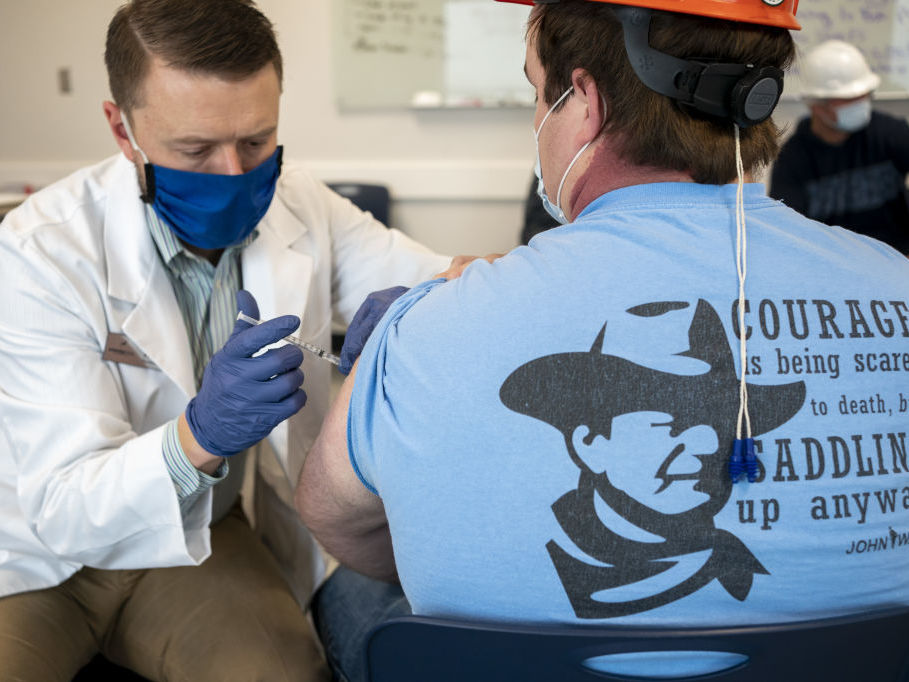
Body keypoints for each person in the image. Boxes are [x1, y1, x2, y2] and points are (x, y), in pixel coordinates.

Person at [295, 1, 909, 680]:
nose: (699, 443)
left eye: (538, 95)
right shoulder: (897, 284)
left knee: (353, 593)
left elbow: (339, 522)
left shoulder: (430, 322)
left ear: (583, 102)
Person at [0, 0, 455, 680]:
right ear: (121, 129)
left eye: (255, 142)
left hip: (201, 536)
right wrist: (200, 435)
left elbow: (447, 283)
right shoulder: (38, 252)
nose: (234, 173)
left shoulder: (299, 199)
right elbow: (66, 509)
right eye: (194, 150)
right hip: (34, 557)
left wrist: (424, 316)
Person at [769, 39, 909, 254]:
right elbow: (789, 235)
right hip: (835, 265)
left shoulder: (887, 133)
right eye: (849, 99)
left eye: (864, 95)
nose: (861, 103)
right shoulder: (794, 160)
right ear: (817, 104)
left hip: (898, 258)